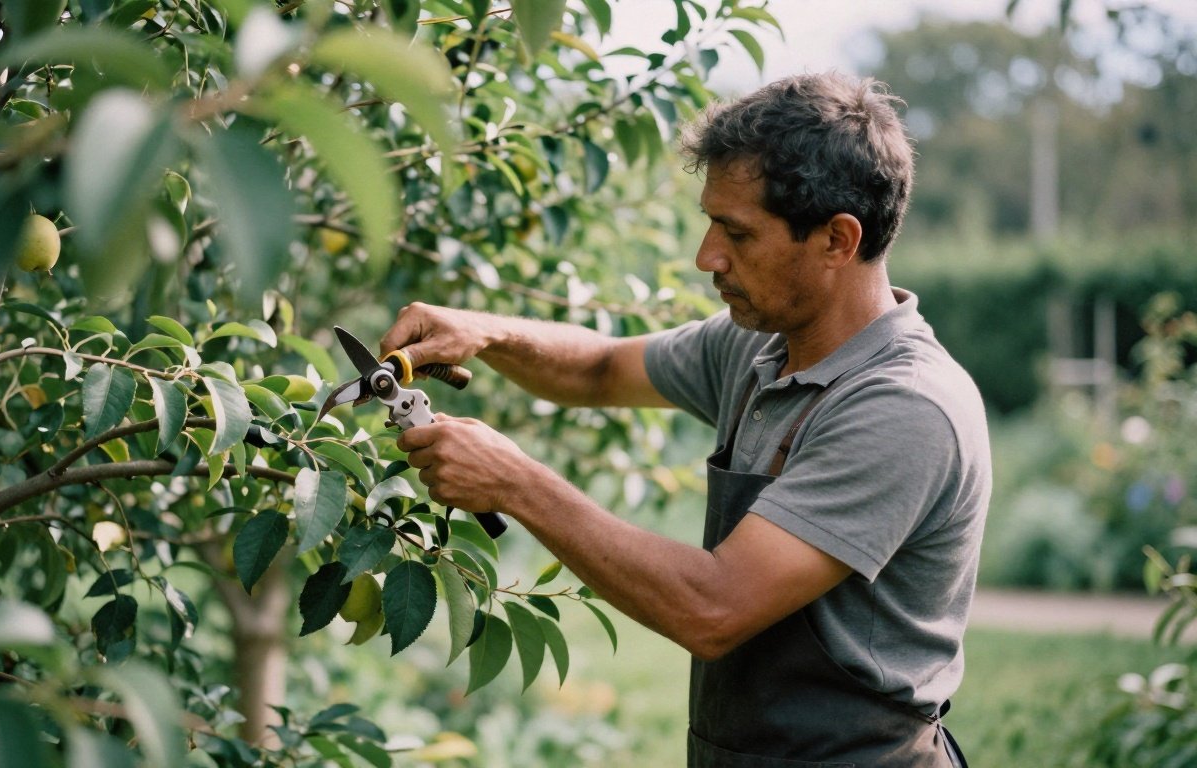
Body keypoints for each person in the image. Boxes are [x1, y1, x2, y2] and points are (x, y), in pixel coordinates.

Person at [384, 72, 989, 767]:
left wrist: (516, 483)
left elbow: (714, 608)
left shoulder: (903, 406)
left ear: (836, 240)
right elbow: (599, 369)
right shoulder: (760, 343)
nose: (708, 257)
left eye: (737, 232)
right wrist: (483, 332)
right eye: (710, 222)